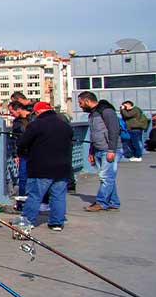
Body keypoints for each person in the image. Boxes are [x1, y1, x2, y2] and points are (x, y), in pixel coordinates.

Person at [15, 101, 73, 233]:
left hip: (41, 167)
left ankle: (27, 221)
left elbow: (22, 143)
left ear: (38, 112)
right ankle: (56, 223)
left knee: (35, 195)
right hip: (63, 167)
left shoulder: (36, 125)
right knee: (58, 196)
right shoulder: (65, 125)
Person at [78, 91, 121, 211]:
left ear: (87, 101)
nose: (80, 105)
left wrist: (111, 149)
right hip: (98, 148)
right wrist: (91, 151)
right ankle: (114, 202)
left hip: (109, 149)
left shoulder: (106, 111)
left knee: (106, 177)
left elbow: (114, 130)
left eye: (81, 103)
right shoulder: (92, 114)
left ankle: (101, 202)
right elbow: (93, 133)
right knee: (107, 177)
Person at [7, 95, 34, 204]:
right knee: (23, 178)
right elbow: (14, 139)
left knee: (31, 178)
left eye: (11, 111)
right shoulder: (18, 122)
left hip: (33, 153)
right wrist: (15, 154)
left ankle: (31, 201)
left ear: (18, 109)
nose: (10, 114)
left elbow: (16, 138)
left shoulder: (33, 118)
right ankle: (23, 202)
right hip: (24, 153)